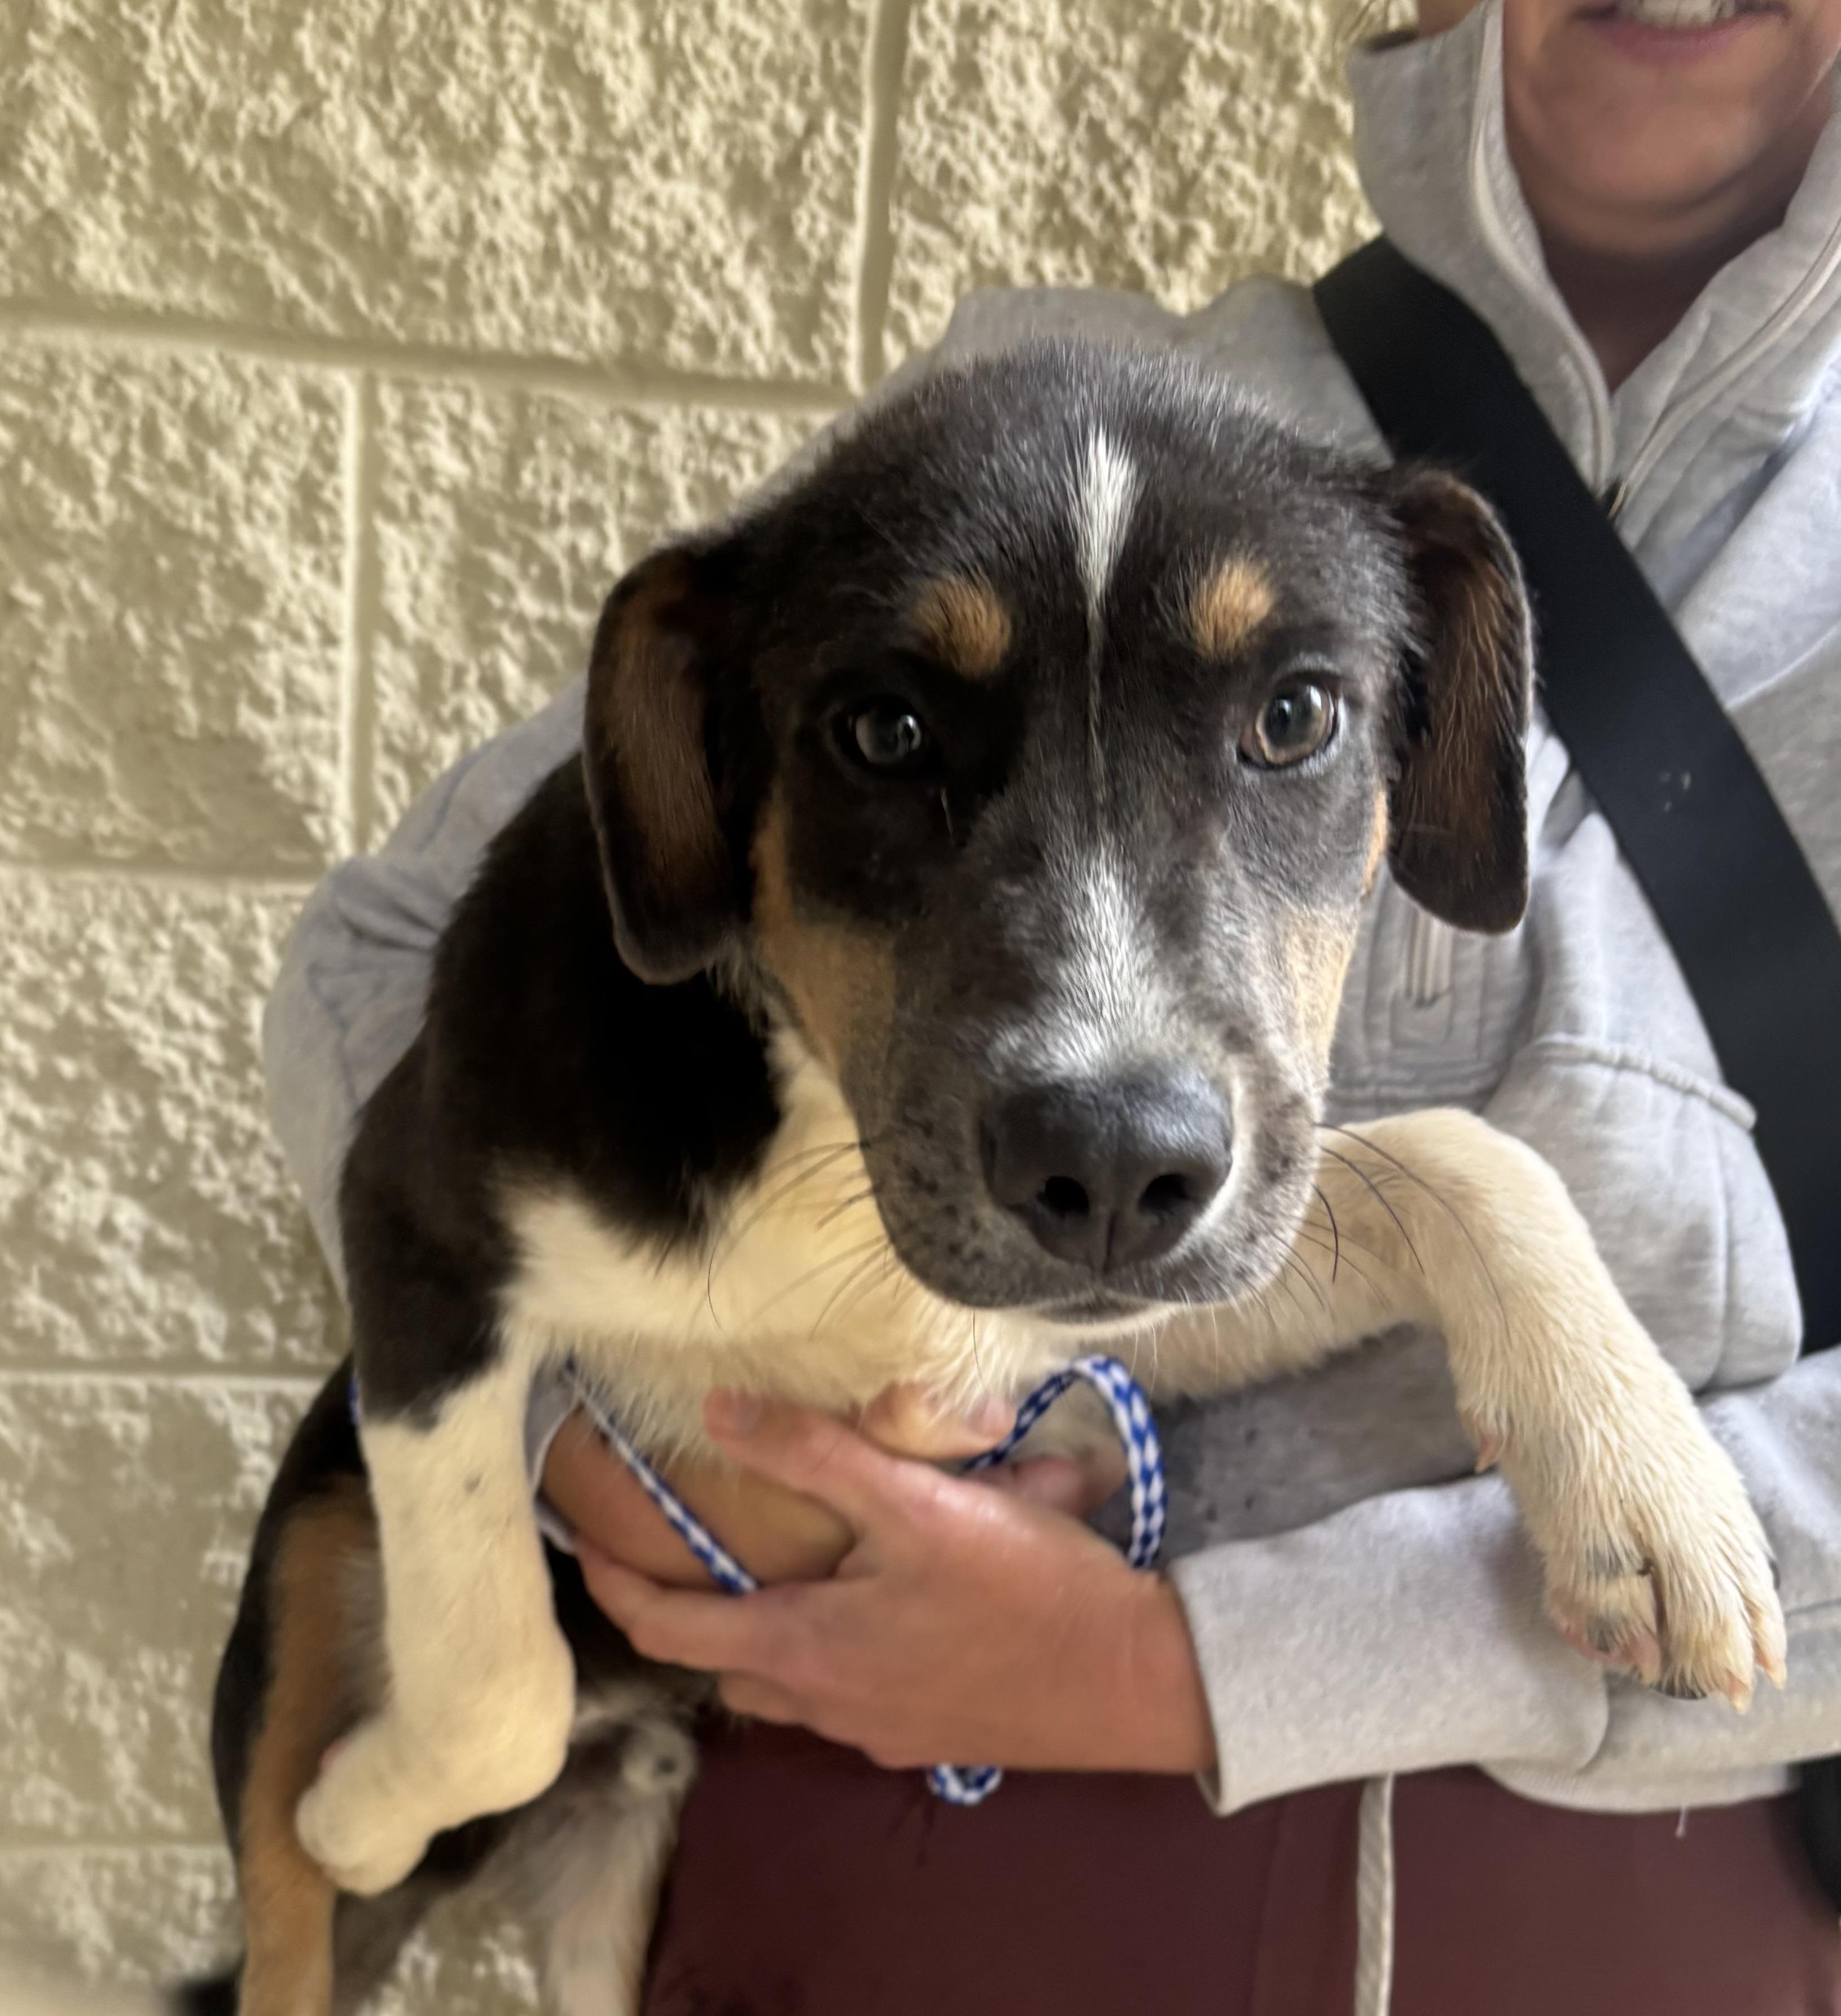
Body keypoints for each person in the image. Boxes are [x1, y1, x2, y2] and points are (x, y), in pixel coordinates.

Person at [263, 2, 1841, 2010]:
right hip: (898, 1846)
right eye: (895, 732)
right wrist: (608, 1432)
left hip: (1643, 1906)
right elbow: (381, 967)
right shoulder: (1020, 429)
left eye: (1293, 720)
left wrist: (1184, 1665)